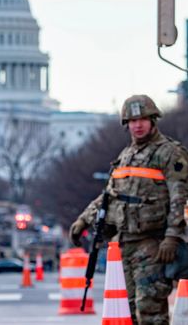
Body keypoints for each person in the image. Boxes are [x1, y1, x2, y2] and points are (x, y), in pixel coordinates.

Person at [69, 94, 188, 325]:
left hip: (153, 245)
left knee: (150, 312)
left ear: (153, 120)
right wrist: (84, 219)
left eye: (142, 119)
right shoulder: (126, 156)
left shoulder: (169, 153)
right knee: (127, 312)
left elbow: (179, 196)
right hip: (124, 244)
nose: (137, 125)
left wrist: (172, 237)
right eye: (132, 121)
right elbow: (110, 195)